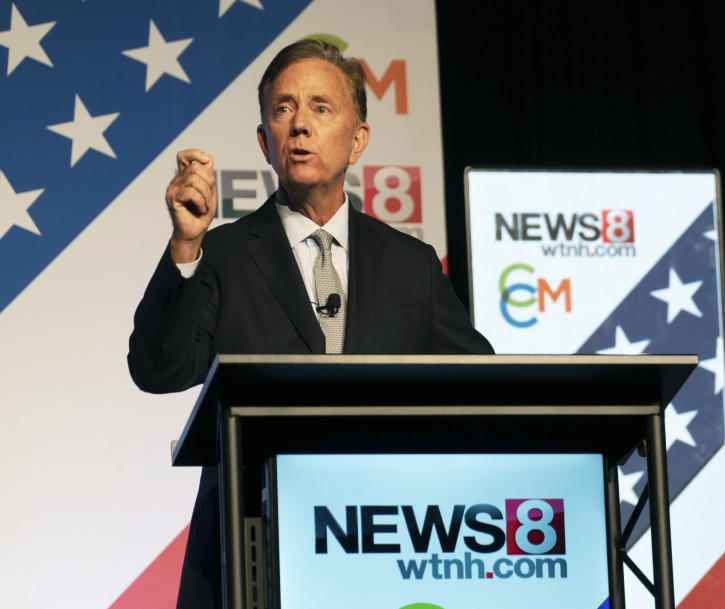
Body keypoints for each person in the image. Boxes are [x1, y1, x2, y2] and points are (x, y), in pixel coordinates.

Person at [127, 39, 493, 608]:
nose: (299, 125)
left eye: (321, 108)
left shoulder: (410, 264)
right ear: (264, 142)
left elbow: (484, 387)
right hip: (251, 557)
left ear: (359, 138)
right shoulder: (219, 253)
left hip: (383, 550)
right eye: (282, 109)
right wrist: (184, 244)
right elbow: (158, 370)